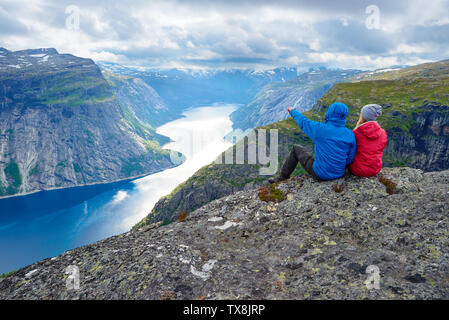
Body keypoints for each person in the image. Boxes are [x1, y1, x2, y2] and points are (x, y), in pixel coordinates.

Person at [269, 102, 357, 183]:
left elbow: (303, 121)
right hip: (339, 173)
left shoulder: (320, 129)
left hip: (320, 174)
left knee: (296, 149)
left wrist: (292, 111)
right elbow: (350, 158)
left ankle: (283, 177)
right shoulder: (350, 134)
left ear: (330, 113)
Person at [349, 104, 388, 177]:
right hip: (375, 169)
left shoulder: (356, 133)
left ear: (363, 116)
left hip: (358, 170)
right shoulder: (383, 133)